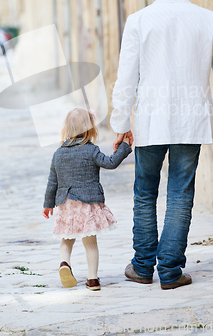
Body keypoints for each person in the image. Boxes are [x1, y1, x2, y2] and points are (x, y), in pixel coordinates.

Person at [110, 0, 213, 290]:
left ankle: (141, 266)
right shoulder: (207, 20)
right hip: (191, 120)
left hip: (151, 119)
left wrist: (121, 123)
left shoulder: (138, 21)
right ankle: (169, 270)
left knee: (144, 193)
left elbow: (126, 78)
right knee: (181, 193)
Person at [43, 108, 132, 291]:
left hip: (66, 203)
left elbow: (52, 181)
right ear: (90, 129)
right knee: (90, 243)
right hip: (87, 204)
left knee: (66, 239)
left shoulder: (58, 153)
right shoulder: (91, 150)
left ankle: (64, 263)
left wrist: (47, 204)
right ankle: (93, 280)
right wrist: (124, 146)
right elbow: (110, 162)